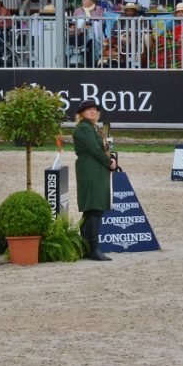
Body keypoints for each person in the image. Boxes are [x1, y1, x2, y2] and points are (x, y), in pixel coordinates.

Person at [73, 100, 116, 261]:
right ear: (81, 113)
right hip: (90, 171)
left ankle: (87, 245)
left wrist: (111, 157)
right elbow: (94, 149)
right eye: (88, 109)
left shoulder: (93, 127)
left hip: (97, 170)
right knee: (94, 206)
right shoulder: (83, 128)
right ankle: (93, 248)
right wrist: (109, 162)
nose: (92, 112)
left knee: (93, 208)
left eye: (94, 109)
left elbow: (103, 148)